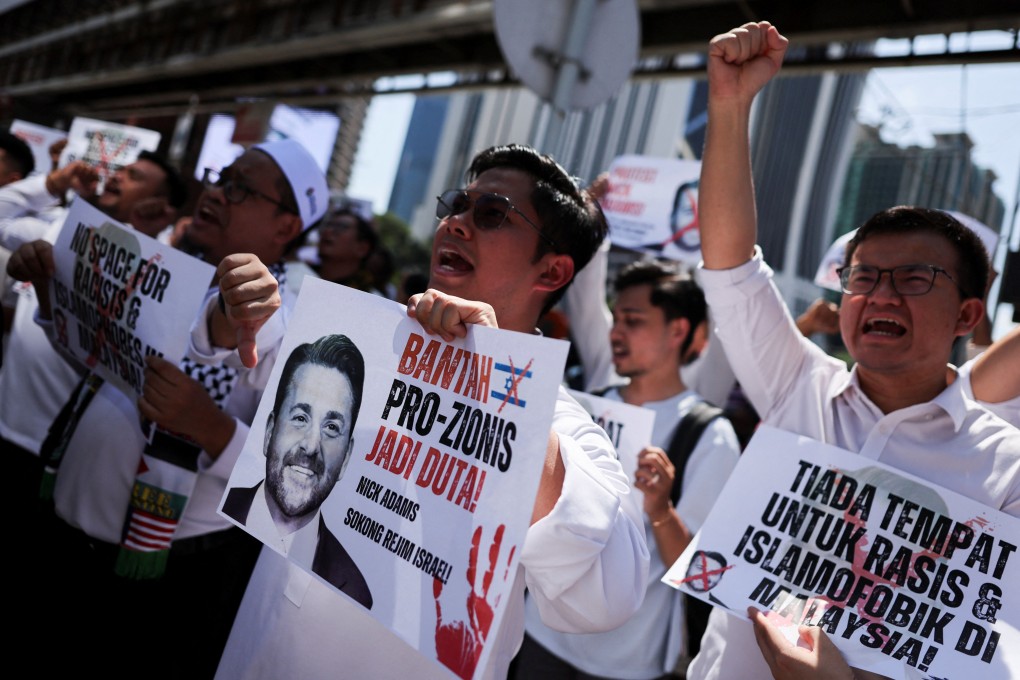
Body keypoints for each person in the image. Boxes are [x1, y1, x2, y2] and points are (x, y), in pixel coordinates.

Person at [215, 143, 650, 680]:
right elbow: (253, 359)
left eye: (491, 214)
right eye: (455, 206)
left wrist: (494, 376)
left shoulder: (565, 426)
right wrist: (237, 305)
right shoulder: (364, 340)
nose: (456, 225)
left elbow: (611, 596)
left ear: (553, 270)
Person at [687, 20, 1020, 680]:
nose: (880, 296)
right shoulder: (797, 385)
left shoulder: (1006, 472)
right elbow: (730, 268)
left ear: (967, 313)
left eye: (914, 278)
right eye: (863, 276)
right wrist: (728, 106)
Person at [6, 138, 328, 677]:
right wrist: (50, 293)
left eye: (241, 188)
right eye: (220, 177)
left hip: (156, 585)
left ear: (285, 227)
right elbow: (98, 366)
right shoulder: (160, 270)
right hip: (57, 536)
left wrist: (212, 427)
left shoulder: (297, 326)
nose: (217, 194)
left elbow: (291, 475)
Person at [515, 260, 741, 680]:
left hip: (626, 663)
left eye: (633, 321)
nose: (615, 333)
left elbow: (700, 573)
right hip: (540, 633)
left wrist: (661, 509)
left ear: (678, 331)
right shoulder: (586, 405)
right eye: (615, 318)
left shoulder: (710, 435)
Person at [0, 150, 188, 547]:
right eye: (120, 170)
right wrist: (53, 183)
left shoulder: (156, 274)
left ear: (161, 207)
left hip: (47, 453)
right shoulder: (57, 227)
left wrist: (142, 232)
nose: (117, 176)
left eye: (135, 176)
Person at [222, 333, 372, 609]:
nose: (312, 445)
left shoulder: (355, 591)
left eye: (332, 427)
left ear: (347, 457)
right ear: (269, 432)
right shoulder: (209, 518)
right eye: (300, 418)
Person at [313, 204, 381, 294]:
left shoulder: (370, 301)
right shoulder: (293, 273)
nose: (328, 231)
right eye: (327, 225)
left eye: (341, 227)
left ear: (362, 248)